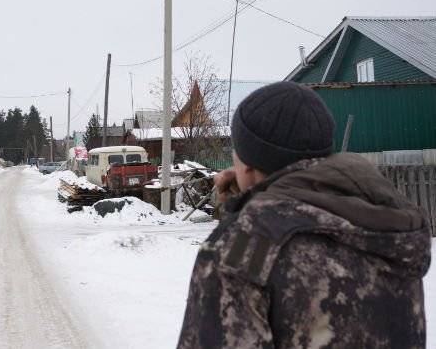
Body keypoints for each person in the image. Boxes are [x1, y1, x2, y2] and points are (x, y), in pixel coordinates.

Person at [177, 81, 431, 348]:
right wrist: (251, 202)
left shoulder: (241, 246)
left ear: (248, 164)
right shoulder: (387, 224)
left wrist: (243, 217)